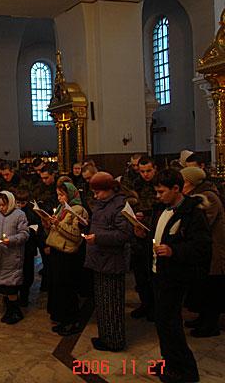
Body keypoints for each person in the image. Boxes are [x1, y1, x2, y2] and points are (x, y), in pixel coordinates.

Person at [134, 169, 210, 383]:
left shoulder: (192, 213)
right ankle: (170, 363)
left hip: (175, 276)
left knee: (171, 325)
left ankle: (185, 370)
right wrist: (143, 234)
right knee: (163, 323)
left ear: (176, 189)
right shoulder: (161, 208)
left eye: (161, 192)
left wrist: (174, 251)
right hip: (159, 274)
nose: (157, 196)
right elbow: (158, 236)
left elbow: (202, 247)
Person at [83, 172, 133, 352]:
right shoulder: (103, 204)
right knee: (103, 304)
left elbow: (124, 235)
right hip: (100, 260)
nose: (95, 196)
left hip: (112, 262)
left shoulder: (120, 206)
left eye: (98, 192)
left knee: (112, 305)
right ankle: (106, 336)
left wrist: (98, 238)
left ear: (110, 189)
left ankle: (115, 341)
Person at [180, 167, 224, 338]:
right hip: (205, 252)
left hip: (214, 250)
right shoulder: (196, 196)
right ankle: (203, 318)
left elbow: (204, 223)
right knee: (204, 287)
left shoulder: (209, 197)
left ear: (190, 183)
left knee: (213, 289)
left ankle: (210, 325)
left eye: (183, 181)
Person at [44, 181, 88, 336]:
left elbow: (76, 235)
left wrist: (58, 224)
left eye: (62, 195)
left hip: (67, 253)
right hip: (56, 251)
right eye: (58, 195)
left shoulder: (79, 210)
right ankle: (61, 317)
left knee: (66, 288)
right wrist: (48, 223)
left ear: (70, 194)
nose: (59, 198)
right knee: (57, 287)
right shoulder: (62, 208)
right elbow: (56, 229)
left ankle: (71, 320)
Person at [0, 190, 29, 324]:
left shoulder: (19, 215)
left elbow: (24, 234)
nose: (1, 208)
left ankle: (15, 311)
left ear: (10, 203)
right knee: (2, 285)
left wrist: (10, 240)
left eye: (3, 205)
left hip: (12, 255)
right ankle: (9, 309)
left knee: (11, 286)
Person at [131, 156, 159, 320]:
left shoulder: (161, 185)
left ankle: (155, 307)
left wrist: (146, 215)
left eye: (148, 171)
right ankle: (145, 304)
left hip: (153, 233)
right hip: (138, 234)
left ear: (155, 168)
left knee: (152, 274)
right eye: (142, 171)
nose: (145, 175)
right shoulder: (136, 184)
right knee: (140, 273)